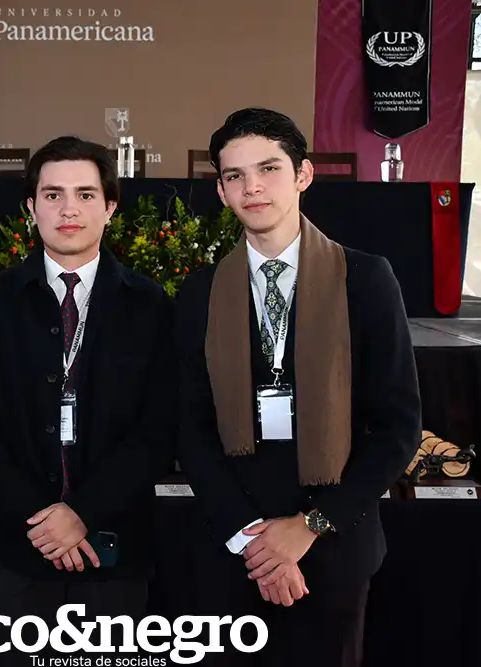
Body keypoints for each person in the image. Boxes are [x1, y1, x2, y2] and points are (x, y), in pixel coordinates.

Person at [175, 108, 421, 666]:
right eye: (235, 175)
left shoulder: (366, 279)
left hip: (335, 539)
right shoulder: (200, 292)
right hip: (234, 541)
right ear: (221, 191)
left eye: (269, 169)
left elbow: (398, 427)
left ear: (303, 174)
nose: (252, 187)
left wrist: (311, 526)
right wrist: (251, 538)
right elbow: (190, 427)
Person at [0, 136, 176, 664]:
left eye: (85, 194)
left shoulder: (150, 307)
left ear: (110, 207)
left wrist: (82, 514)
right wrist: (42, 519)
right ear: (31, 207)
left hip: (113, 554)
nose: (69, 209)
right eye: (53, 195)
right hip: (12, 553)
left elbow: (158, 429)